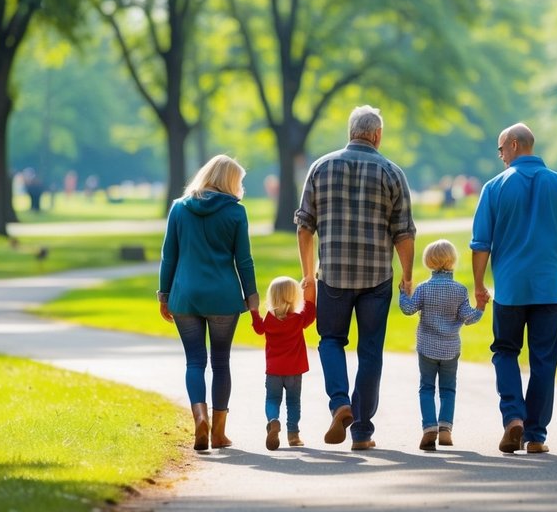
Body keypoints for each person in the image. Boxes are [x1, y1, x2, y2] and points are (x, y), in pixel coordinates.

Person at [296, 105, 416, 450]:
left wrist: (307, 275)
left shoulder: (320, 167)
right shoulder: (392, 172)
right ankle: (362, 432)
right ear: (377, 135)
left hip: (332, 274)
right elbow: (404, 232)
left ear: (351, 132)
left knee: (331, 340)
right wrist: (407, 276)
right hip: (376, 277)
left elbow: (305, 225)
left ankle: (340, 403)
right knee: (370, 351)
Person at [471, 123, 557, 455]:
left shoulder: (494, 188)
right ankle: (535, 435)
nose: (500, 157)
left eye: (500, 150)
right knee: (544, 361)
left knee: (505, 351)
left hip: (510, 289)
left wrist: (479, 284)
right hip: (550, 289)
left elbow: (480, 244)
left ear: (513, 145)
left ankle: (513, 416)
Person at [157, 155, 259, 451]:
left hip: (185, 296)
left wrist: (164, 294)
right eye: (239, 181)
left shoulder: (178, 208)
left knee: (195, 361)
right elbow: (245, 261)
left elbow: (169, 257)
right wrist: (252, 299)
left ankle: (199, 417)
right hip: (223, 298)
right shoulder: (236, 213)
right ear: (228, 181)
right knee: (221, 362)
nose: (241, 187)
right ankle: (218, 432)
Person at [398, 239, 486, 451]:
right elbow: (469, 318)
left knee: (426, 388)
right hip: (450, 349)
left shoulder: (424, 288)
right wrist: (481, 307)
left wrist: (403, 293)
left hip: (426, 347)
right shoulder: (460, 290)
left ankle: (429, 427)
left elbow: (408, 309)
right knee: (448, 389)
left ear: (428, 262)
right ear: (452, 261)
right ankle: (445, 429)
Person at [251, 276, 317, 451]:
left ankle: (273, 421)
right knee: (293, 402)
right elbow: (311, 311)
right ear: (294, 296)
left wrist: (254, 311)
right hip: (295, 371)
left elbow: (258, 329)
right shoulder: (297, 319)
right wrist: (309, 289)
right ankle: (293, 435)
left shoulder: (269, 320)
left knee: (272, 399)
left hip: (273, 371)